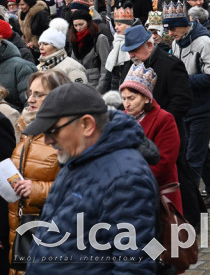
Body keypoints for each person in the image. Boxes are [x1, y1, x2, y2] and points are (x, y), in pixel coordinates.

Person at [22, 82, 157, 270]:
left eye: (53, 130)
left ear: (86, 125)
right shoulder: (77, 157)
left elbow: (133, 264)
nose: (48, 140)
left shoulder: (125, 177)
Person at [8, 70, 69, 274]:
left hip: (50, 237)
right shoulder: (29, 129)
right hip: (19, 232)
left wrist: (36, 189)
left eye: (39, 94)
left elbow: (79, 190)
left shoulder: (67, 136)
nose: (31, 99)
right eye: (30, 93)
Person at [168, 0, 210, 209]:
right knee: (201, 151)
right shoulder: (176, 43)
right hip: (186, 107)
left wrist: (182, 81)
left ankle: (188, 205)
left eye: (173, 28)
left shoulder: (204, 42)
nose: (170, 32)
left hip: (203, 107)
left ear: (185, 24)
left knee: (193, 158)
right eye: (168, 28)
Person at [118, 62, 182, 212]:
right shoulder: (120, 119)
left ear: (146, 98)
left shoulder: (164, 119)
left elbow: (163, 163)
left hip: (157, 195)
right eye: (124, 98)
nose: (126, 104)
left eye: (131, 98)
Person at [65, 9, 110, 88]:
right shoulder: (75, 40)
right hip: (79, 85)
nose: (78, 28)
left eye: (81, 24)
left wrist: (100, 88)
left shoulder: (100, 39)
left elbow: (105, 66)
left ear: (89, 23)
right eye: (75, 25)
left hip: (95, 85)